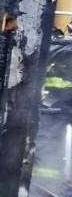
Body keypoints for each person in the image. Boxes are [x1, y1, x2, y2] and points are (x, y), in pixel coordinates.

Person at [33, 26, 72, 183]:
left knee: (49, 140)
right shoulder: (62, 47)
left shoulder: (60, 47)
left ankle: (46, 184)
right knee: (49, 141)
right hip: (56, 104)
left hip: (56, 104)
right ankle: (46, 184)